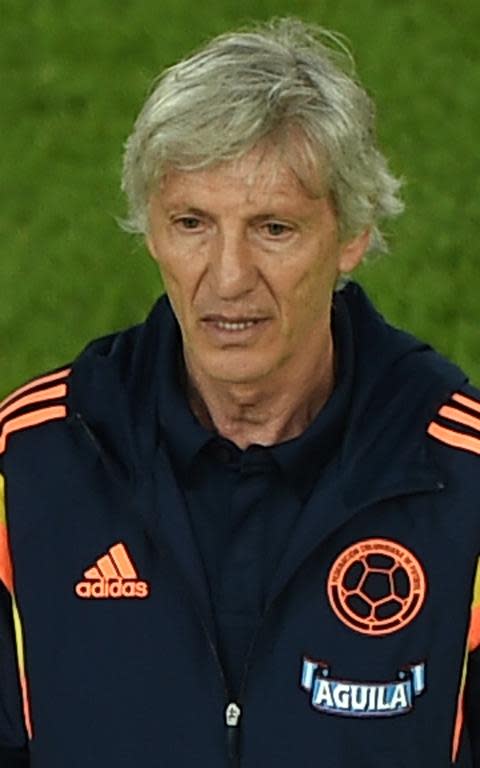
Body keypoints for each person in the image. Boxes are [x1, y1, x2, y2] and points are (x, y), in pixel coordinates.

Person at [0, 17, 479, 768]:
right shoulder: (27, 468)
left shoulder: (465, 483)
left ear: (351, 234)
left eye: (274, 228)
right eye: (192, 223)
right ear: (151, 231)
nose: (227, 279)